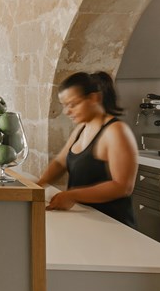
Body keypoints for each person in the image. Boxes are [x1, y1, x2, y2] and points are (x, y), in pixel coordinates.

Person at [37, 71, 138, 227]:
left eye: (73, 104)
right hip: (87, 221)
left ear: (94, 98)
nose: (66, 111)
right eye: (64, 105)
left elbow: (123, 186)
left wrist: (72, 195)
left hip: (113, 227)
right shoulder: (81, 128)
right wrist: (38, 185)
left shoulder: (116, 131)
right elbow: (60, 163)